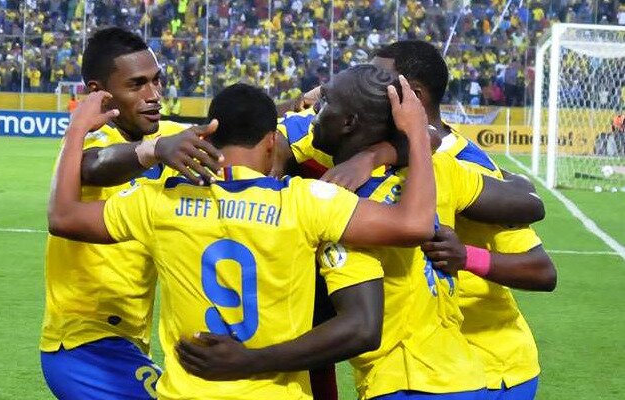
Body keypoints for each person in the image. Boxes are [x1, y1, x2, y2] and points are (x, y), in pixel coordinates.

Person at [47, 79, 437, 399]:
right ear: (271, 142)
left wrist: (77, 128)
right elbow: (414, 225)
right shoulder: (307, 202)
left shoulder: (159, 200)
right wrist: (415, 133)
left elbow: (63, 216)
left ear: (210, 136)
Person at [175, 64, 545, 400]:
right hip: (466, 378)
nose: (314, 112)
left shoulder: (345, 208)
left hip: (406, 383)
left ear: (349, 122)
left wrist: (248, 361)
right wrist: (408, 140)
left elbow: (360, 328)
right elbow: (529, 201)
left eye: (325, 106)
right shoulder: (435, 173)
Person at [40, 27, 222, 399]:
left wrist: (305, 101)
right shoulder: (89, 141)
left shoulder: (166, 133)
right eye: (137, 84)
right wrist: (153, 151)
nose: (154, 95)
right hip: (82, 344)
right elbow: (94, 166)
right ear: (99, 93)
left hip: (128, 344)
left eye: (157, 81)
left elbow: (240, 129)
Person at [371, 40, 556, 400]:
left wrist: (466, 257)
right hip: (434, 367)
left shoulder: (470, 168)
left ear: (416, 94)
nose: (369, 85)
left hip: (493, 365)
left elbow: (541, 270)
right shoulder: (394, 152)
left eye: (380, 80)